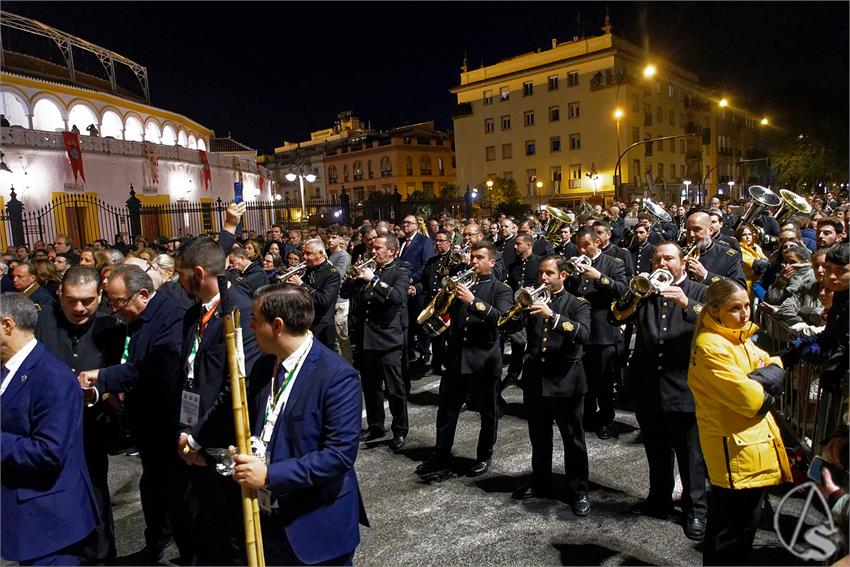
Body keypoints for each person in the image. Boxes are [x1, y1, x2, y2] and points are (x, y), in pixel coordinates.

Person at [231, 283, 367, 565]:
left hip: (315, 526)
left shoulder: (337, 376)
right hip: (268, 520)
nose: (251, 327)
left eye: (256, 319)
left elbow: (338, 456)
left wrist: (269, 475)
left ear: (277, 325)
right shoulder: (263, 365)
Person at [77, 264, 196, 563]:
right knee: (154, 488)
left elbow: (155, 368)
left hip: (166, 420)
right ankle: (157, 540)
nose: (115, 309)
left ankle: (190, 553)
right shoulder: (138, 316)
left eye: (119, 302)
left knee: (175, 492)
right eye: (111, 301)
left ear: (143, 294)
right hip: (146, 422)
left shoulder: (171, 315)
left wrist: (104, 377)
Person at [688, 279, 792, 565]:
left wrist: (761, 377)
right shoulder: (711, 345)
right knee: (729, 535)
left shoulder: (740, 336)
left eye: (747, 306)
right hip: (733, 453)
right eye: (736, 308)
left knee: (743, 530)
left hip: (748, 447)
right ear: (716, 310)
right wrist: (765, 382)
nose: (745, 313)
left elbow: (774, 364)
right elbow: (753, 402)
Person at [610, 243, 709, 541]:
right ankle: (659, 499)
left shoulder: (699, 290)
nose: (663, 263)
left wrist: (686, 303)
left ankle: (696, 510)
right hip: (648, 385)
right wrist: (635, 293)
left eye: (669, 258)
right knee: (656, 447)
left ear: (682, 262)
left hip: (686, 386)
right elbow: (617, 315)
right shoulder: (645, 291)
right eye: (657, 259)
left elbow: (719, 321)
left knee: (690, 454)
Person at [175, 236, 261, 565]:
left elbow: (237, 386)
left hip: (222, 443)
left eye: (181, 275)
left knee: (233, 536)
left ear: (198, 272)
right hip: (194, 438)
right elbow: (189, 375)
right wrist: (184, 430)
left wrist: (199, 439)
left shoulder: (236, 310)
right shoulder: (194, 313)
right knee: (209, 530)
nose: (177, 282)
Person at [1, 292, 99, 566]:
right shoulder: (9, 370)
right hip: (27, 519)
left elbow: (48, 450)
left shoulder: (51, 376)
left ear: (7, 325)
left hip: (50, 520)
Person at [35, 267, 125, 564]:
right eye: (72, 300)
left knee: (95, 495)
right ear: (60, 293)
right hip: (47, 429)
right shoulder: (41, 320)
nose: (79, 308)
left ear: (100, 295)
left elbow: (125, 373)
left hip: (94, 426)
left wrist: (99, 392)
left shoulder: (112, 324)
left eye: (87, 301)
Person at [415, 241, 513, 477]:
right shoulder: (461, 284)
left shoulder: (501, 289)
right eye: (472, 257)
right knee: (447, 411)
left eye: (480, 258)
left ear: (492, 262)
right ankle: (441, 454)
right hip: (457, 357)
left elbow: (501, 319)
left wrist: (473, 301)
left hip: (484, 360)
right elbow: (440, 312)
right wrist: (444, 295)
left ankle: (483, 454)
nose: (474, 261)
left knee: (487, 412)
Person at [509, 256, 592, 516]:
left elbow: (583, 334)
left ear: (562, 276)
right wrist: (518, 311)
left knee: (573, 439)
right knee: (539, 437)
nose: (543, 278)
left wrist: (552, 316)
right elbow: (509, 327)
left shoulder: (578, 303)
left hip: (566, 379)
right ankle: (541, 482)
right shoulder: (532, 300)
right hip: (536, 379)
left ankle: (578, 491)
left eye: (548, 273)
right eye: (541, 274)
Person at [341, 234, 410, 451]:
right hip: (367, 338)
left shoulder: (400, 270)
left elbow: (397, 296)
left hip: (388, 338)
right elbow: (344, 292)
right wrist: (354, 279)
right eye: (373, 247)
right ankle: (376, 425)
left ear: (392, 251)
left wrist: (374, 280)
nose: (374, 251)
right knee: (370, 387)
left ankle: (400, 429)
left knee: (394, 388)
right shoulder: (369, 271)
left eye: (379, 248)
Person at [566, 227, 628, 439]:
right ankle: (589, 415)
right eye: (579, 246)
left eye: (587, 245)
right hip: (580, 330)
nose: (582, 250)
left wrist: (600, 277)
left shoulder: (613, 263)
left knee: (603, 381)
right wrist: (569, 274)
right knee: (584, 380)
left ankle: (606, 420)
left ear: (598, 243)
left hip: (602, 331)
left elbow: (623, 290)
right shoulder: (575, 263)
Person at [283, 238, 341, 349]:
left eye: (308, 254)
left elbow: (324, 300)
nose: (304, 257)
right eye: (304, 253)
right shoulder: (307, 270)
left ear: (320, 253)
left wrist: (301, 284)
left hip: (322, 327)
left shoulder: (332, 274)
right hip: (305, 322)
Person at [412, 230, 454, 374]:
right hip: (434, 305)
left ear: (449, 242)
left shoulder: (454, 260)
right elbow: (424, 283)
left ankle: (451, 365)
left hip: (450, 306)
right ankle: (436, 365)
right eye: (436, 241)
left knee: (451, 338)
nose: (438, 244)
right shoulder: (431, 261)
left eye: (441, 241)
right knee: (436, 338)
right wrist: (415, 289)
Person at [502, 234, 541, 387]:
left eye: (518, 244)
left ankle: (529, 376)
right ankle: (512, 374)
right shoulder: (513, 264)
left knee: (534, 344)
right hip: (518, 310)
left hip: (534, 309)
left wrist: (533, 290)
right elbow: (511, 285)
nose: (515, 246)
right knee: (517, 344)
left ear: (529, 245)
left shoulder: (539, 262)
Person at [399, 215, 436, 364]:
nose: (405, 225)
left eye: (409, 223)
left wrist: (412, 279)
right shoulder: (402, 242)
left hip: (418, 288)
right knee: (408, 321)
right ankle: (410, 351)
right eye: (404, 222)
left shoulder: (424, 241)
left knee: (420, 321)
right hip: (404, 288)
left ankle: (425, 351)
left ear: (416, 225)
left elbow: (426, 265)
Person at [682, 212, 746, 288]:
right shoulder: (678, 251)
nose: (691, 234)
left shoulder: (729, 256)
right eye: (689, 230)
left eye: (697, 229)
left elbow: (740, 288)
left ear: (710, 230)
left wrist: (706, 276)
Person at [736, 224, 769, 301]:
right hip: (747, 285)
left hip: (760, 283)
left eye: (749, 234)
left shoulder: (756, 247)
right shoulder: (739, 249)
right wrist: (765, 263)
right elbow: (757, 266)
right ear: (739, 237)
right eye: (744, 235)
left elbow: (766, 262)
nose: (748, 237)